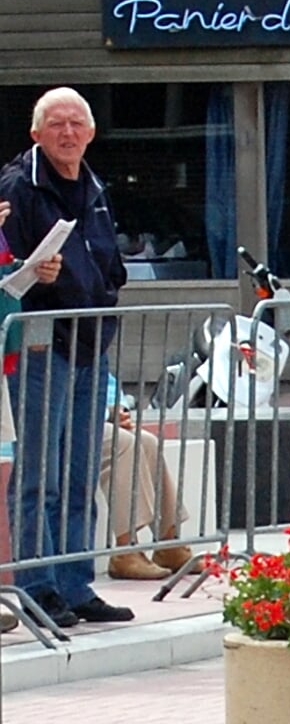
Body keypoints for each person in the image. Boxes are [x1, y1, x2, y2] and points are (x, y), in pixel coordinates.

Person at [0, 88, 135, 628]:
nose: (67, 132)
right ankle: (39, 585)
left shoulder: (96, 185)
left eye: (77, 123)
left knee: (80, 471)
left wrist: (106, 289)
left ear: (92, 132)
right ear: (36, 134)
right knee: (39, 473)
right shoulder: (17, 186)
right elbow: (8, 271)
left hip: (88, 341)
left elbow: (108, 258)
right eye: (56, 124)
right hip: (39, 343)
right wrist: (39, 280)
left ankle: (77, 584)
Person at [100, 373, 193, 582]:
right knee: (123, 444)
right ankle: (126, 551)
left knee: (147, 442)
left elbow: (107, 383)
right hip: (68, 422)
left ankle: (169, 543)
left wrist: (118, 409)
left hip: (94, 417)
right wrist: (105, 413)